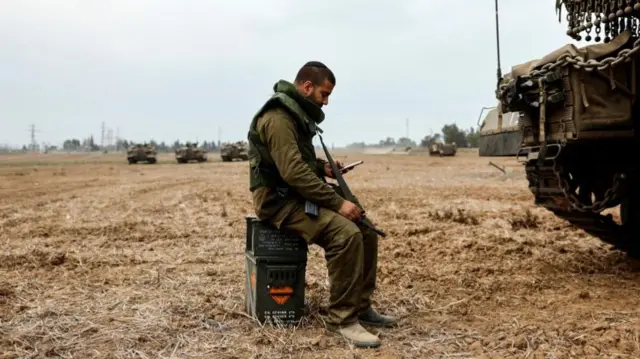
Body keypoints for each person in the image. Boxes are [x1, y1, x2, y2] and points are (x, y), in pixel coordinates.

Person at [247, 61, 397, 348]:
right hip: (278, 202)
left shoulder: (294, 115)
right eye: (323, 94)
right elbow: (292, 172)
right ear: (306, 87)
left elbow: (297, 163)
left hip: (293, 193)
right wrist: (337, 204)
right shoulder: (278, 117)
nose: (325, 102)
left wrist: (323, 167)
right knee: (345, 233)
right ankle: (341, 320)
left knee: (363, 229)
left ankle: (360, 307)